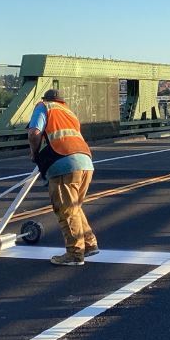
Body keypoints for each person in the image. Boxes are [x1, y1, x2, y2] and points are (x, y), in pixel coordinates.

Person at [27, 88, 99, 266]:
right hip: (85, 162)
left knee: (66, 210)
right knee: (74, 206)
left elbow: (34, 133)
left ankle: (75, 254)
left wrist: (34, 153)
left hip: (63, 162)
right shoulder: (69, 112)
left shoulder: (44, 107)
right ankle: (89, 244)